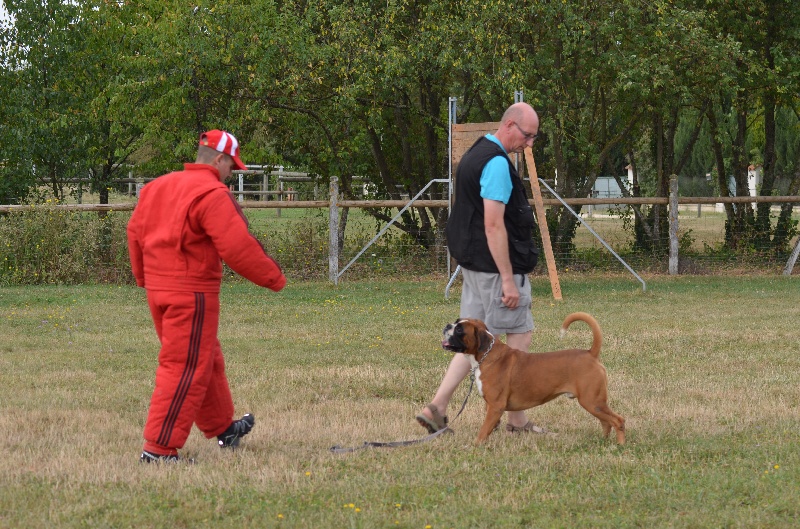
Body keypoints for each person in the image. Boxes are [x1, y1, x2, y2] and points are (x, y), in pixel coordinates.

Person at [127, 130, 287, 463]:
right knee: (185, 367)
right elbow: (237, 245)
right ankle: (158, 449)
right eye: (232, 166)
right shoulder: (212, 193)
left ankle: (224, 429)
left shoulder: (157, 187)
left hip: (159, 291)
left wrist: (144, 278)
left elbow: (135, 233)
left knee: (205, 358)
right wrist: (273, 278)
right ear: (219, 160)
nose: (232, 173)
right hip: (192, 292)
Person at [416, 102, 548, 435]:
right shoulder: (497, 165)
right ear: (510, 125)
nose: (530, 144)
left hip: (472, 265)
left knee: (476, 341)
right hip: (493, 268)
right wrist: (507, 279)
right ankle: (516, 420)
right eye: (527, 135)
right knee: (520, 331)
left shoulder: (477, 152)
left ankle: (436, 407)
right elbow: (493, 225)